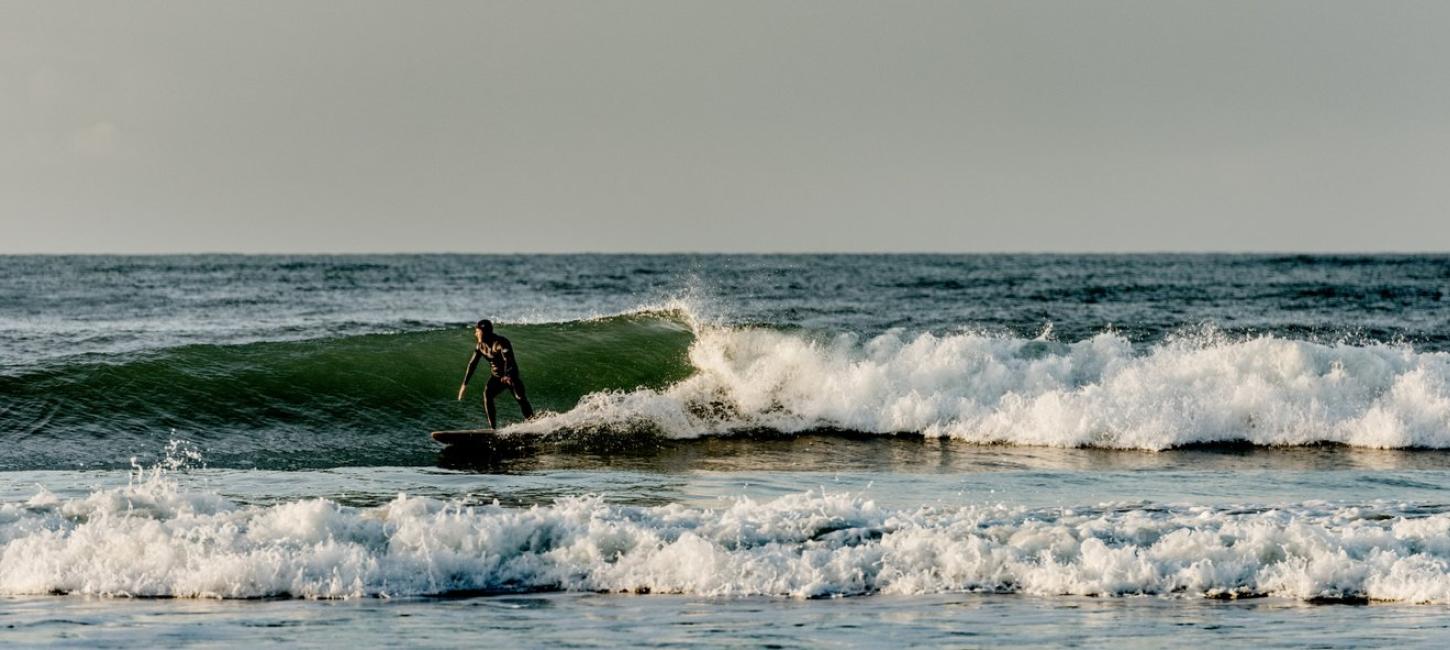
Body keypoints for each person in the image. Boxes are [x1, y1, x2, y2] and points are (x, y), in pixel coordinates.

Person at [457, 319, 534, 428]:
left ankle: (532, 422)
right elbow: (472, 364)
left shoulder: (500, 342)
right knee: (487, 394)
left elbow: (508, 359)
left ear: (483, 332)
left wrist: (507, 375)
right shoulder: (480, 346)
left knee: (520, 398)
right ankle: (493, 429)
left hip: (510, 376)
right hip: (496, 377)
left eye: (477, 331)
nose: (475, 334)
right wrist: (464, 384)